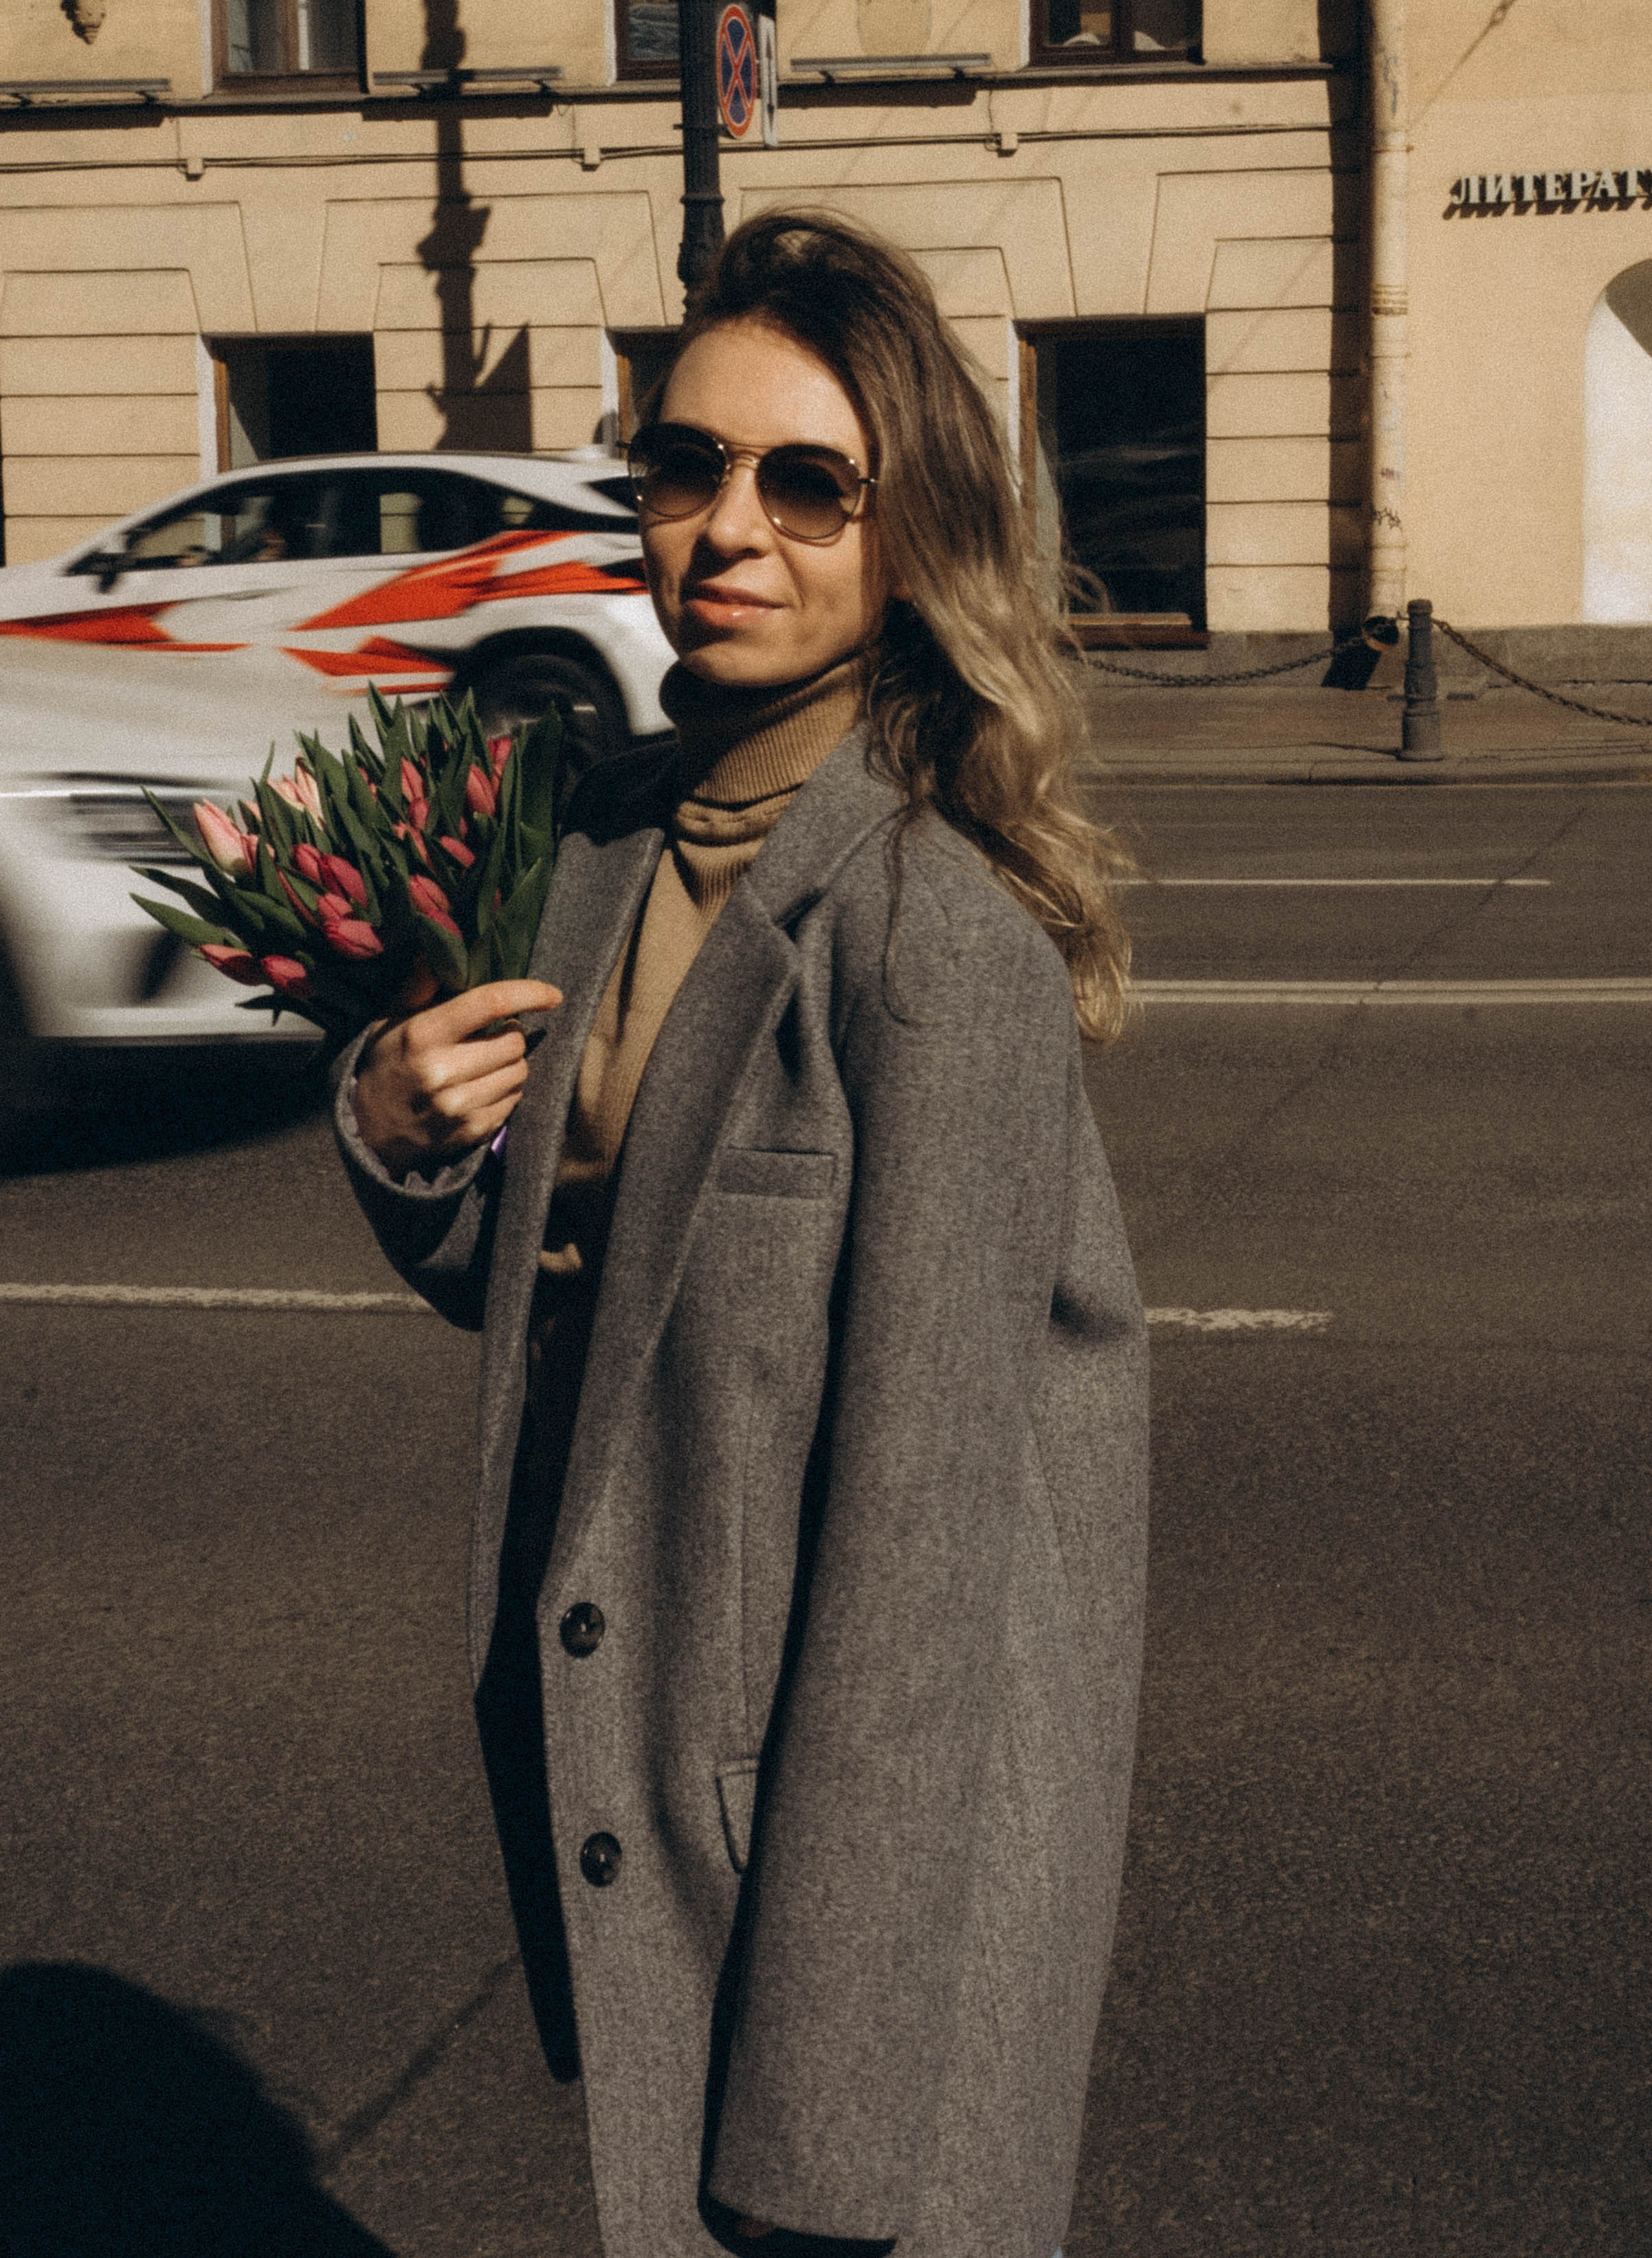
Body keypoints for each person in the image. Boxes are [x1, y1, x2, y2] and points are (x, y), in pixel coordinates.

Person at [334, 212, 1149, 2258]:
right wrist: (396, 1125)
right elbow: (576, 1308)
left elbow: (923, 1569)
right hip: (694, 1793)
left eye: (808, 482)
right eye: (684, 466)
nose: (729, 528)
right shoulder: (608, 839)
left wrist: (821, 2133)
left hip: (847, 1884)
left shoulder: (932, 939)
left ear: (909, 528)